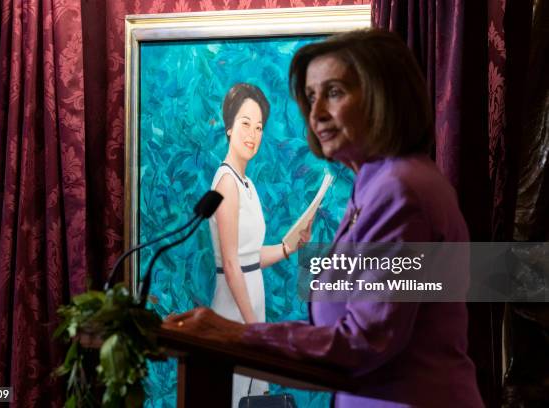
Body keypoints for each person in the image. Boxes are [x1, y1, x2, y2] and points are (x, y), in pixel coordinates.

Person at [165, 30, 484, 408]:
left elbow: (364, 341)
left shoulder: (401, 192)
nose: (316, 114)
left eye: (333, 92)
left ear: (383, 94)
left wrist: (238, 335)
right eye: (311, 97)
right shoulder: (377, 183)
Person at [209, 83, 312, 406]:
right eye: (245, 123)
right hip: (234, 310)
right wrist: (255, 329)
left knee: (255, 400)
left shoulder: (247, 184)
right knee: (236, 395)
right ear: (228, 127)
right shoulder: (226, 183)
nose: (252, 134)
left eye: (259, 127)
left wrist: (287, 247)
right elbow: (231, 262)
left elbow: (249, 256)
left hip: (252, 306)